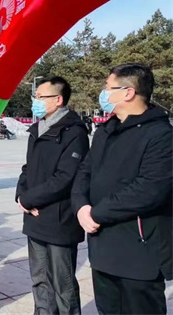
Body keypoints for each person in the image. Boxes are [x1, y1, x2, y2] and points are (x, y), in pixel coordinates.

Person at [71, 63, 172, 315]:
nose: (103, 94)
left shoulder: (161, 135)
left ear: (128, 92)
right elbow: (85, 172)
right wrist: (81, 206)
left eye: (108, 88)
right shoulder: (106, 131)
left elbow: (149, 190)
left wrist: (96, 213)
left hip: (139, 253)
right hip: (102, 248)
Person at [15, 77, 89, 314]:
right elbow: (28, 168)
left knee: (62, 283)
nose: (35, 101)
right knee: (39, 279)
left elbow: (66, 178)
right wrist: (21, 195)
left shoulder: (73, 132)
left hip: (59, 218)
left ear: (58, 100)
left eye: (40, 97)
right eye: (35, 96)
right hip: (34, 216)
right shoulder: (38, 128)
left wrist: (30, 199)